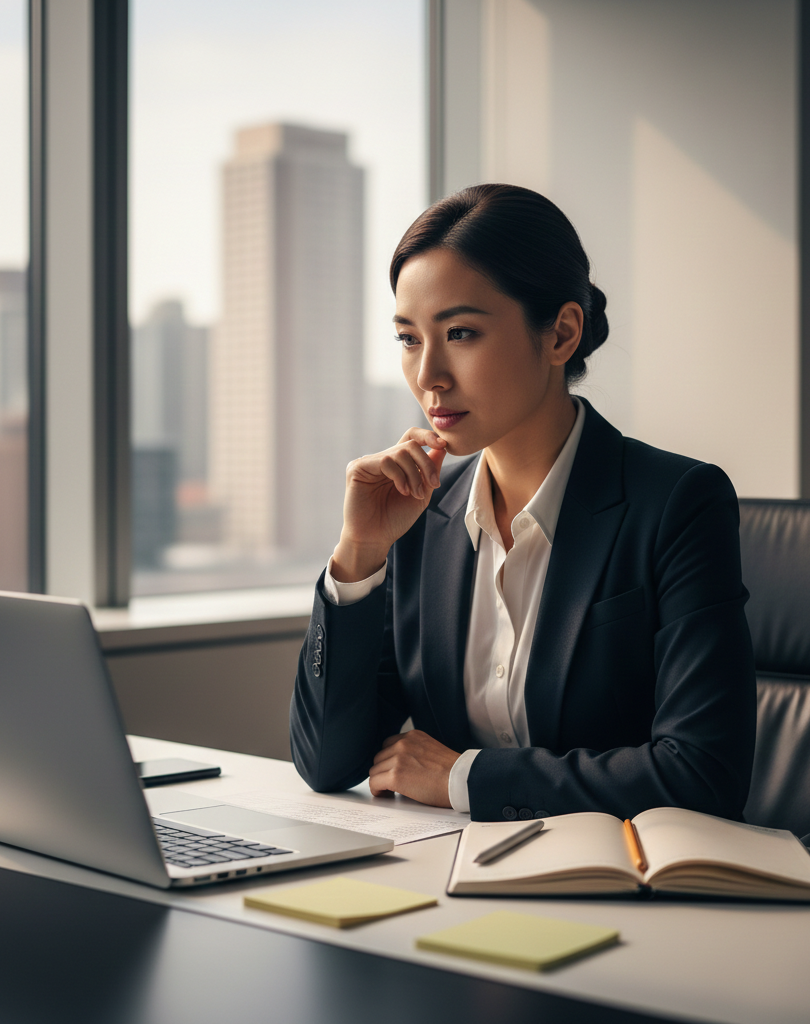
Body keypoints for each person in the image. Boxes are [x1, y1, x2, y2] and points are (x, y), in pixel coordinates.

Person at [290, 184, 756, 822]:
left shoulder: (677, 505)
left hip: (625, 888)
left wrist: (464, 777)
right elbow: (326, 764)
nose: (428, 375)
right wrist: (359, 555)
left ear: (562, 332)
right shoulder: (420, 515)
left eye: (460, 332)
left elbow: (703, 775)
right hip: (454, 877)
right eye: (408, 339)